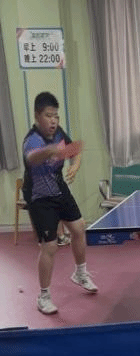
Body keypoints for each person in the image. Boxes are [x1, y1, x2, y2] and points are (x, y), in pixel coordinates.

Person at [22, 91, 98, 315]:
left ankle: (80, 273)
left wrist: (75, 165)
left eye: (56, 116)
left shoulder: (59, 133)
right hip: (39, 197)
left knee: (79, 228)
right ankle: (43, 296)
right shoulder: (32, 140)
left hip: (59, 189)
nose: (53, 121)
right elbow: (32, 157)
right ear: (37, 116)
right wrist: (50, 151)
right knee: (50, 247)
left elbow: (75, 150)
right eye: (48, 116)